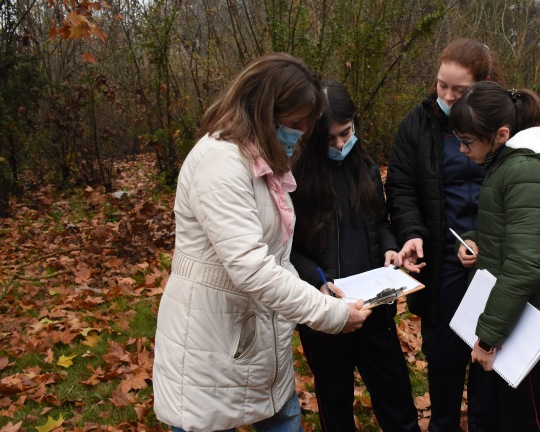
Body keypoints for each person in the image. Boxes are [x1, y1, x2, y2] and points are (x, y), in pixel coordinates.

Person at [152, 53, 371, 432]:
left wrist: (318, 293)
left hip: (259, 340)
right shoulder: (220, 164)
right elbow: (252, 268)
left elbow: (276, 253)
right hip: (211, 343)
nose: (303, 131)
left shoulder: (262, 158)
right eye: (296, 122)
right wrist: (330, 314)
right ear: (263, 111)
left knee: (284, 418)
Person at [449, 81, 540, 431]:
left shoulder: (525, 172)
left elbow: (526, 265)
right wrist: (474, 242)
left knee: (524, 417)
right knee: (491, 412)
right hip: (507, 315)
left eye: (467, 142)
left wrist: (487, 338)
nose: (462, 151)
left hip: (523, 323)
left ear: (500, 134)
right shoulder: (508, 164)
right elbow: (511, 233)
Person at [384, 38, 504, 431]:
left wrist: (490, 238)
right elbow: (401, 188)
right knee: (444, 354)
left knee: (491, 354)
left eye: (459, 90)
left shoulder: (504, 121)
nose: (448, 96)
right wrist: (413, 233)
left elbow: (525, 191)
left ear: (483, 83)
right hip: (442, 260)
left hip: (494, 258)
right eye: (442, 86)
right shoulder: (417, 124)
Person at [290, 81, 421, 432]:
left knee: (395, 393)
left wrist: (390, 247)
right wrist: (317, 281)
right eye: (329, 139)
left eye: (345, 133)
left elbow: (379, 221)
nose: (339, 144)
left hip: (373, 305)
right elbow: (287, 248)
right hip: (325, 309)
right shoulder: (296, 176)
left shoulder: (362, 165)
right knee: (334, 400)